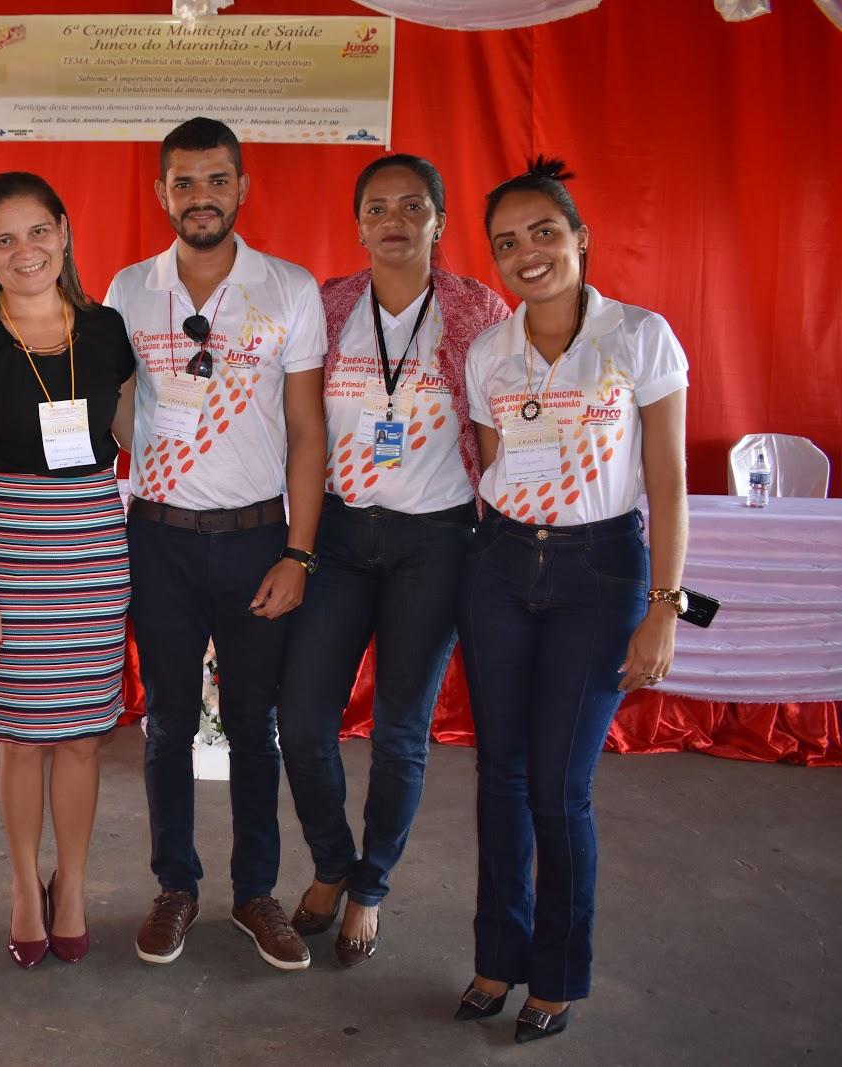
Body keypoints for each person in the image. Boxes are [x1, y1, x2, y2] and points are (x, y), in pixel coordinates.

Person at [454, 158, 689, 1043]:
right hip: (503, 566)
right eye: (507, 242)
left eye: (544, 233)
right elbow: (494, 463)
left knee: (559, 788)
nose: (527, 254)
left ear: (581, 239)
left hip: (600, 573)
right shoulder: (489, 351)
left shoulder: (638, 337)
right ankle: (495, 954)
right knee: (500, 778)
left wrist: (663, 603)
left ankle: (555, 974)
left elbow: (667, 480)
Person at [105, 117, 328, 970]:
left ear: (243, 187)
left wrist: (299, 553)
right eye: (185, 183)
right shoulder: (129, 290)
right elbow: (117, 410)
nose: (202, 197)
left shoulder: (289, 289)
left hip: (256, 540)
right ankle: (176, 885)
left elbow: (308, 431)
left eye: (217, 180)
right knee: (164, 721)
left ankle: (255, 891)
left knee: (252, 721)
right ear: (162, 193)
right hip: (156, 537)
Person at [277, 155, 509, 967]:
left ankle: (369, 886)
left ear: (439, 221)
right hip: (338, 538)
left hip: (435, 543)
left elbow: (503, 434)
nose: (394, 219)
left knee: (402, 733)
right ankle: (332, 861)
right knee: (302, 720)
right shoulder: (332, 303)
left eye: (413, 205)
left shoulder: (478, 310)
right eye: (377, 207)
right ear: (358, 224)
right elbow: (296, 424)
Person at [0, 172, 136, 968]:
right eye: (4, 239)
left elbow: (137, 437)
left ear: (64, 231)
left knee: (83, 736)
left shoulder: (108, 329)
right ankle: (24, 885)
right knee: (20, 737)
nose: (26, 251)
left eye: (38, 231)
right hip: (7, 548)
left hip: (91, 543)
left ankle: (74, 885)